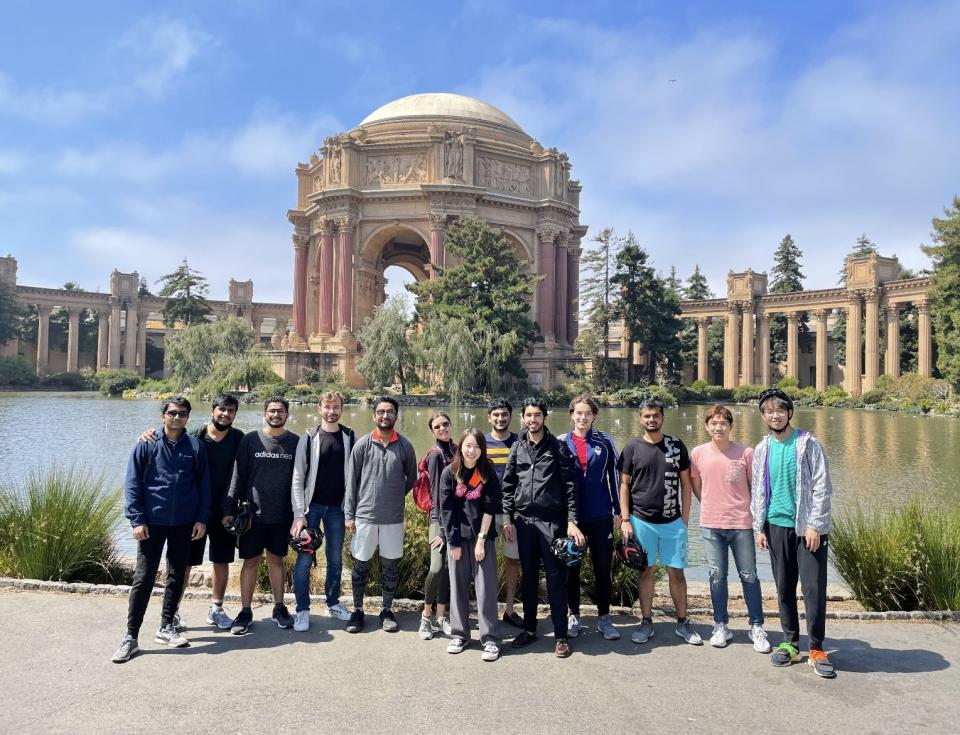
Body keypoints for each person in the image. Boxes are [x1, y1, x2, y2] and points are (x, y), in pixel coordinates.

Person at [112, 396, 210, 663]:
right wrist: (136, 519)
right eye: (173, 413)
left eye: (183, 414)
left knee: (177, 575)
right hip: (151, 523)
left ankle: (166, 626)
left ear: (188, 418)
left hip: (184, 523)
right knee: (143, 579)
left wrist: (202, 518)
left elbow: (204, 487)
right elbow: (132, 485)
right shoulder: (146, 445)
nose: (177, 418)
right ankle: (130, 636)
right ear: (163, 415)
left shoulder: (195, 447)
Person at [137, 394, 244, 631]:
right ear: (212, 410)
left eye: (230, 410)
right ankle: (172, 611)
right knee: (183, 564)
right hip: (193, 513)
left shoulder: (239, 439)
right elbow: (167, 439)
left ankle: (216, 609)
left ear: (235, 414)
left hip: (225, 511)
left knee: (221, 560)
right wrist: (148, 435)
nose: (225, 414)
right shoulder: (195, 436)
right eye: (221, 409)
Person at [751, 388, 836, 678]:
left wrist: (815, 524)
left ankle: (816, 647)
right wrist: (759, 527)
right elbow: (759, 490)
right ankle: (789, 642)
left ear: (789, 412)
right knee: (784, 586)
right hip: (775, 526)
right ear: (764, 416)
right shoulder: (762, 448)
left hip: (807, 529)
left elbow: (822, 486)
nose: (774, 415)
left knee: (813, 589)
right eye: (769, 411)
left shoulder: (807, 443)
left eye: (779, 410)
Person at [501, 397, 584, 658]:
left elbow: (570, 487)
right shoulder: (517, 447)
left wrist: (571, 521)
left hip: (552, 524)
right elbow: (508, 484)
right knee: (529, 579)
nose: (532, 420)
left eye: (537, 415)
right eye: (528, 415)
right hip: (524, 522)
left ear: (544, 418)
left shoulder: (558, 448)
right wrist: (507, 519)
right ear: (523, 418)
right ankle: (529, 628)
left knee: (556, 580)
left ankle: (560, 636)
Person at [618, 398, 701, 646]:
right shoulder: (632, 447)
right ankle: (646, 622)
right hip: (641, 520)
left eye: (655, 415)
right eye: (647, 416)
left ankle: (683, 622)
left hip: (672, 521)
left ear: (663, 417)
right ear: (640, 418)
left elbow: (686, 485)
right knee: (646, 572)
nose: (651, 419)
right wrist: (625, 519)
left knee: (677, 572)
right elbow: (624, 485)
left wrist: (685, 519)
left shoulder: (676, 446)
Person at [690, 404, 770, 652]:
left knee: (749, 575)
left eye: (723, 423)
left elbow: (755, 488)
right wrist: (711, 505)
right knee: (716, 576)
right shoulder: (698, 453)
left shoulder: (746, 452)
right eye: (713, 423)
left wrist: (759, 524)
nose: (718, 427)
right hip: (711, 525)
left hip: (741, 524)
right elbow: (696, 485)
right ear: (706, 426)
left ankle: (756, 625)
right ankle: (721, 624)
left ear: (730, 426)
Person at [223, 397, 300, 635]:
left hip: (282, 516)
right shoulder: (250, 440)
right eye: (272, 410)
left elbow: (302, 480)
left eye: (280, 411)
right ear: (263, 413)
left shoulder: (295, 442)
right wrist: (228, 510)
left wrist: (300, 514)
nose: (276, 414)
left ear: (287, 414)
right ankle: (245, 611)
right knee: (250, 562)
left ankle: (279, 608)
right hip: (251, 517)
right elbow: (237, 476)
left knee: (277, 561)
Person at [344, 396, 417, 634]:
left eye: (390, 412)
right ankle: (357, 610)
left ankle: (387, 610)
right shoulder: (362, 444)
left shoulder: (405, 446)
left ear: (396, 415)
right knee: (360, 566)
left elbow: (412, 479)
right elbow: (351, 483)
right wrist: (349, 515)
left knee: (390, 566)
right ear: (374, 415)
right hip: (364, 517)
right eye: (381, 412)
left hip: (393, 519)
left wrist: (394, 496)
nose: (385, 416)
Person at [289, 391, 356, 632]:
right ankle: (302, 610)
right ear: (320, 409)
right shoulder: (309, 437)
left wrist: (351, 511)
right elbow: (298, 477)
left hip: (337, 510)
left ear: (341, 409)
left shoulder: (349, 436)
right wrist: (299, 513)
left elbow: (354, 478)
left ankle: (332, 603)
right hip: (312, 509)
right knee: (304, 560)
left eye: (336, 407)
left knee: (336, 559)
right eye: (327, 407)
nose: (331, 411)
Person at [558, 393, 622, 641]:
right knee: (571, 568)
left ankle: (604, 618)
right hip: (573, 518)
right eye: (578, 412)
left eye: (588, 413)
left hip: (600, 514)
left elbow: (614, 478)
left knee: (602, 568)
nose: (583, 417)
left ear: (594, 416)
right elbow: (556, 482)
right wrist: (565, 518)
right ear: (571, 414)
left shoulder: (605, 441)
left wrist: (619, 511)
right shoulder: (561, 442)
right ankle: (573, 615)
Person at [440, 428, 503, 661]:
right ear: (460, 447)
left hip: (482, 538)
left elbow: (490, 508)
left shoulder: (487, 472)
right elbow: (446, 510)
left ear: (481, 449)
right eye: (467, 445)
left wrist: (481, 540)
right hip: (457, 539)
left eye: (476, 446)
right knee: (457, 588)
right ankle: (460, 634)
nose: (471, 451)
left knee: (485, 589)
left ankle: (490, 639)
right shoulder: (450, 472)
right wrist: (452, 542)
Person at [485, 398, 522, 628]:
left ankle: (509, 609)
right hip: (486, 513)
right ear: (489, 417)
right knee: (484, 563)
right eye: (496, 414)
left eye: (504, 414)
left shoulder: (520, 442)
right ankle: (486, 610)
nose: (500, 418)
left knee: (512, 561)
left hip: (512, 514)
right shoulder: (480, 442)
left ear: (510, 417)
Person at [418, 412, 455, 641]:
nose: (442, 428)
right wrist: (441, 528)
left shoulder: (457, 449)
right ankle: (426, 616)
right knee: (436, 567)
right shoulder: (435, 455)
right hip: (439, 518)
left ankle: (442, 617)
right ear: (432, 431)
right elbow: (436, 494)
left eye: (445, 424)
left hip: (457, 519)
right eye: (437, 426)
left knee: (449, 570)